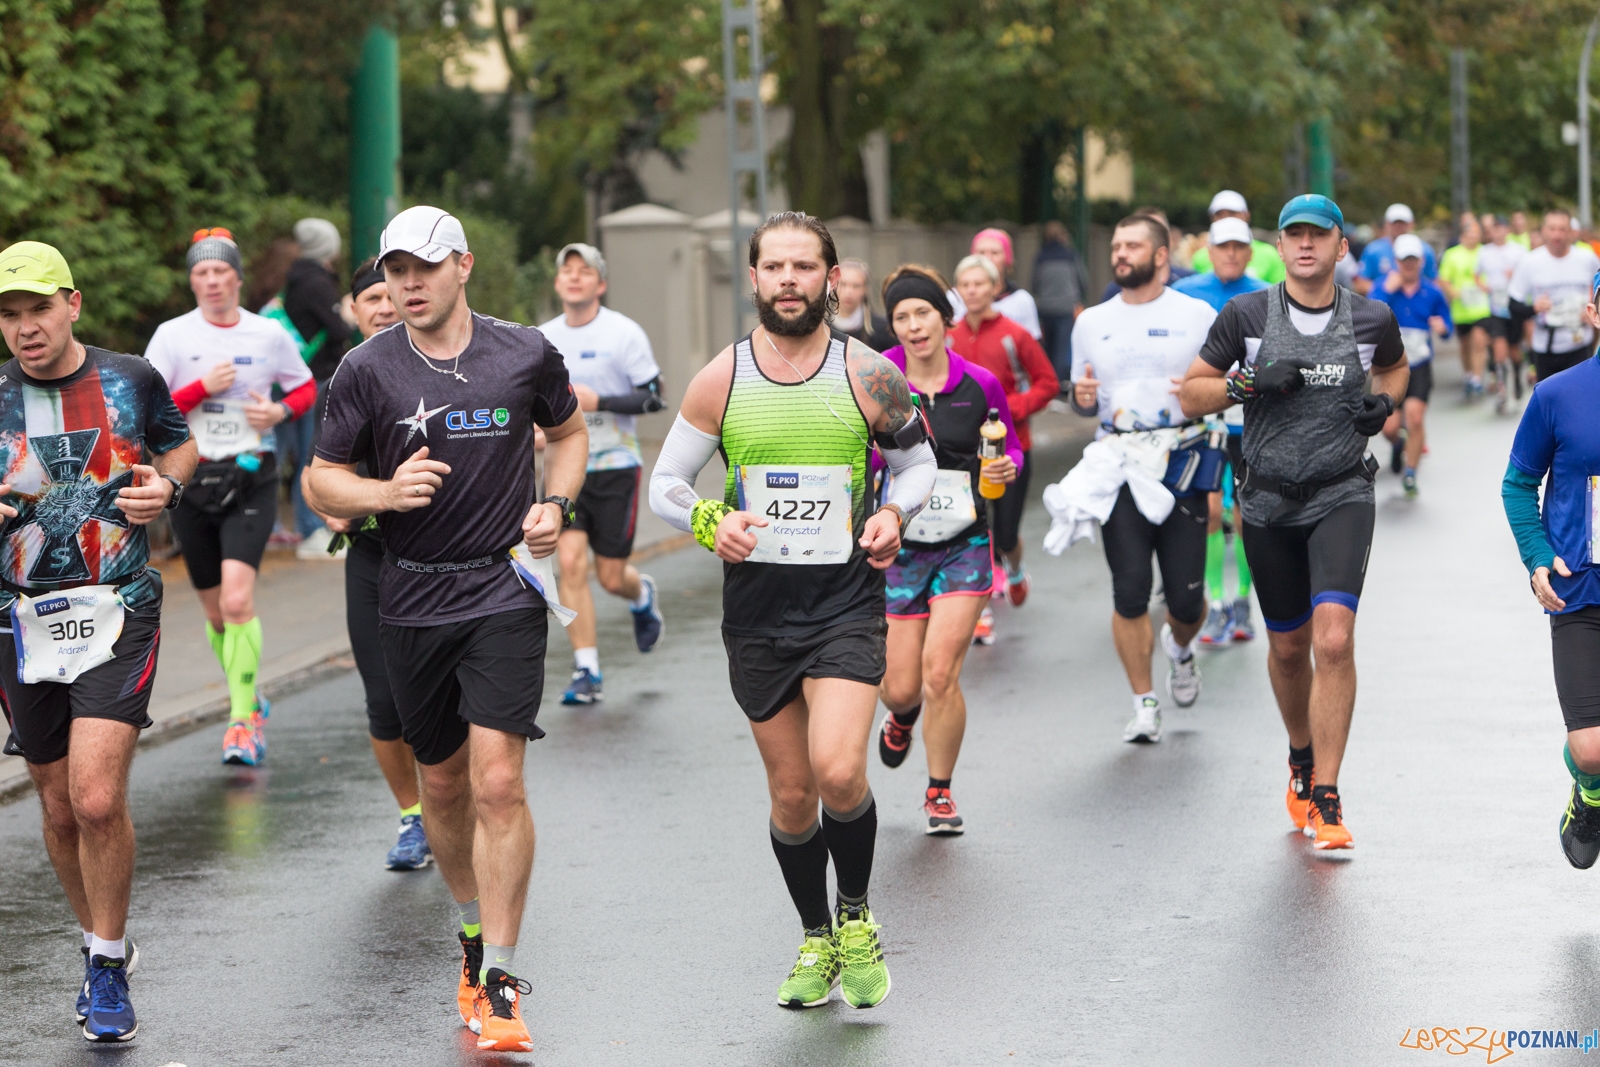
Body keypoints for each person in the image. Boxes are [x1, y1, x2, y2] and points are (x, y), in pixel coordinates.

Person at [306, 205, 589, 1051]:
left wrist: (554, 502)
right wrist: (383, 495)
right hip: (412, 597)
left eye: (424, 267)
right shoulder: (365, 368)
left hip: (503, 588)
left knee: (499, 782)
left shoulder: (523, 352)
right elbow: (324, 480)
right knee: (445, 788)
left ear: (463, 265)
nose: (408, 284)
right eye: (396, 270)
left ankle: (501, 978)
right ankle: (471, 932)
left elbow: (567, 433)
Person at [648, 212, 935, 1010]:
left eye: (803, 267)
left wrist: (894, 516)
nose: (787, 280)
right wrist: (710, 519)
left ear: (831, 279)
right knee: (791, 794)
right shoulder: (721, 377)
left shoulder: (870, 373)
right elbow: (664, 483)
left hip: (845, 601)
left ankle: (856, 915)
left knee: (842, 770)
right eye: (773, 266)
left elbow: (917, 464)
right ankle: (815, 936)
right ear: (753, 278)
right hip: (759, 611)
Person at [0, 241, 197, 1042]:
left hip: (118, 610)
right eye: (9, 316)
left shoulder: (130, 379)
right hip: (19, 620)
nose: (24, 328)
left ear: (72, 304)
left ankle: (109, 966)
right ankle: (97, 942)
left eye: (37, 309)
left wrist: (168, 483)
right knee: (53, 804)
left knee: (93, 796)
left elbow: (179, 441)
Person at [1179, 193, 1409, 851]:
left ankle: (1329, 793)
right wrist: (1244, 385)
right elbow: (1192, 390)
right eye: (1293, 235)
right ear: (1277, 248)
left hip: (1341, 492)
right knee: (1287, 646)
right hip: (1267, 500)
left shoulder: (1371, 316)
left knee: (1332, 640)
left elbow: (1395, 365)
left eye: (1319, 235)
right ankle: (1301, 755)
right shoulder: (1247, 314)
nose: (1306, 245)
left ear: (1341, 246)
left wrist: (1385, 403)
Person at [144, 229, 318, 767]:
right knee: (219, 616)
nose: (213, 280)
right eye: (202, 272)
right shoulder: (172, 336)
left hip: (251, 474)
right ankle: (250, 698)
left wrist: (280, 412)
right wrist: (200, 390)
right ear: (192, 280)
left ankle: (241, 719)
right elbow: (143, 405)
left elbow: (305, 385)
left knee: (240, 602)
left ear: (238, 278)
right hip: (192, 480)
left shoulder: (267, 334)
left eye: (222, 272)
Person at [872, 265, 1022, 833]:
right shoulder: (879, 381)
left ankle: (939, 791)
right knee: (901, 686)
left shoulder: (979, 383)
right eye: (902, 318)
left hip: (964, 544)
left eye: (923, 315)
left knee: (940, 675)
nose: (913, 327)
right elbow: (862, 457)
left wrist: (1007, 467)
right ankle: (902, 717)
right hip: (900, 549)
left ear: (944, 319)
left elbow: (1009, 448)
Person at [1063, 215, 1218, 742]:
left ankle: (1180, 647)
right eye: (1116, 245)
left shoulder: (1197, 314)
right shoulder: (1091, 322)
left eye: (1133, 245)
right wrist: (1081, 401)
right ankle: (1143, 702)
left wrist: (1209, 388)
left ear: (1160, 255)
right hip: (1120, 464)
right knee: (1128, 592)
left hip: (1182, 460)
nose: (1120, 253)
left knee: (1185, 603)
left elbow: (1228, 380)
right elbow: (1083, 396)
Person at [301, 259, 432, 871]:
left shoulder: (438, 361)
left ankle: (454, 800)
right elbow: (320, 474)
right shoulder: (344, 377)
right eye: (369, 299)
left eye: (389, 294)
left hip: (445, 554)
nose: (382, 306)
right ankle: (414, 816)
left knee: (444, 696)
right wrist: (337, 505)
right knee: (383, 700)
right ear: (353, 312)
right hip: (373, 553)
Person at [534, 243, 666, 704]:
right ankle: (586, 669)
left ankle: (639, 594)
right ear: (557, 283)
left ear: (600, 283)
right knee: (568, 562)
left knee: (610, 576)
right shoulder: (540, 338)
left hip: (615, 465)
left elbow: (654, 397)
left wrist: (599, 403)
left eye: (584, 270)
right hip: (563, 469)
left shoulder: (623, 333)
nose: (573, 277)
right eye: (565, 270)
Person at [1502, 272, 1600, 869]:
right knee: (1591, 750)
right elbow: (1518, 483)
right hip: (1579, 589)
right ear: (1593, 312)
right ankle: (1588, 793)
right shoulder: (1557, 394)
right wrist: (1538, 556)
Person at [949, 253, 1058, 640]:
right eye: (966, 284)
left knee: (1006, 533)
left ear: (995, 288)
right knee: (974, 527)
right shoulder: (949, 336)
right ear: (958, 290)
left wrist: (1012, 409)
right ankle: (981, 607)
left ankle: (1012, 570)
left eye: (980, 284)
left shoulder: (1015, 333)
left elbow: (1048, 382)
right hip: (964, 451)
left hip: (1013, 447)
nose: (973, 291)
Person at [1174, 218, 1270, 647]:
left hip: (1251, 421)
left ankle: (1245, 599)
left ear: (1251, 252)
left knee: (1245, 515)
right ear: (1207, 252)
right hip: (1205, 421)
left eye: (1239, 247)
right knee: (1211, 512)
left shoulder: (1268, 296)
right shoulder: (1186, 293)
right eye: (1222, 247)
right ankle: (1215, 603)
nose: (1230, 254)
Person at [275, 218, 354, 558]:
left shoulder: (292, 279)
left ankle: (286, 528)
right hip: (316, 379)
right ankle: (310, 531)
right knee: (312, 455)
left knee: (287, 455)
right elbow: (337, 330)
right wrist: (348, 316)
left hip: (291, 380)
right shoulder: (317, 282)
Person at [1371, 234, 1453, 498]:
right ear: (1395, 261)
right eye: (1403, 260)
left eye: (1413, 260)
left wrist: (1443, 328)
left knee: (1415, 417)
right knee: (1389, 427)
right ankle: (1398, 445)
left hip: (1418, 364)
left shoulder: (1432, 291)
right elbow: (1368, 317)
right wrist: (1387, 290)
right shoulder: (1382, 286)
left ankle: (1410, 473)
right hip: (1389, 366)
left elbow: (1447, 325)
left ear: (1421, 262)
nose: (1408, 265)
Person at [1507, 209, 1600, 383]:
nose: (1557, 235)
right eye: (1552, 229)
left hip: (1580, 345)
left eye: (1562, 229)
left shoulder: (1587, 259)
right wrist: (1534, 308)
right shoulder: (1530, 262)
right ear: (1543, 231)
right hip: (1546, 349)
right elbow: (1513, 306)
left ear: (1571, 232)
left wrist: (1594, 311)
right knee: (1550, 404)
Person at [946, 228, 1042, 338]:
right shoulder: (954, 297)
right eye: (981, 252)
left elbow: (1031, 345)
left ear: (1007, 259)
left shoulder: (1022, 300)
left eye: (995, 253)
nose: (987, 258)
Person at [1478, 213, 1529, 411]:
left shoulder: (1519, 251)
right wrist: (1483, 286)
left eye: (1501, 227)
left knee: (1514, 351)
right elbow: (1476, 275)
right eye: (1495, 228)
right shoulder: (1484, 252)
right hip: (1496, 308)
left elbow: (1526, 277)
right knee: (1499, 349)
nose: (1498, 232)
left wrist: (1514, 275)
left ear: (1507, 229)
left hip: (1514, 307)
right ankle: (1501, 392)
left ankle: (1517, 376)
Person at [1437, 213, 1491, 397]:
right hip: (1461, 308)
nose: (1473, 237)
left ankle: (1477, 378)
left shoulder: (1486, 252)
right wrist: (1452, 290)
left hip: (1482, 307)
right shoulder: (1452, 255)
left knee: (1479, 340)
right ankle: (1468, 373)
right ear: (1463, 236)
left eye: (1477, 234)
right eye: (1470, 234)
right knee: (1465, 344)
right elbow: (1443, 279)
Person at [1032, 221, 1091, 385]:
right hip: (1066, 308)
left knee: (1047, 348)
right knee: (1061, 348)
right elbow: (1084, 281)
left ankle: (1047, 384)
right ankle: (1057, 385)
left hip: (1045, 308)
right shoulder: (1071, 256)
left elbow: (1034, 285)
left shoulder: (1040, 257)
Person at [1188, 190, 1287, 284]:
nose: (1226, 218)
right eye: (1219, 214)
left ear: (1246, 215)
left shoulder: (1269, 255)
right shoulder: (1200, 257)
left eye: (1232, 213)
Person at [1099, 206, 1193, 302]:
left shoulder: (1191, 284)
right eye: (1116, 247)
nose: (1121, 254)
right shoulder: (1112, 292)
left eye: (1132, 246)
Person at [1354, 203, 1438, 295]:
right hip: (1382, 305)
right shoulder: (1373, 250)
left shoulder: (1424, 250)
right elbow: (1360, 283)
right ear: (1386, 224)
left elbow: (1434, 281)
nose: (1398, 227)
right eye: (1395, 223)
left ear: (1411, 224)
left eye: (1402, 223)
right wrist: (1384, 289)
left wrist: (1413, 289)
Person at [830, 258, 893, 351]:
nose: (849, 292)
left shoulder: (882, 329)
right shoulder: (821, 327)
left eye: (856, 286)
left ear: (865, 289)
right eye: (843, 284)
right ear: (834, 285)